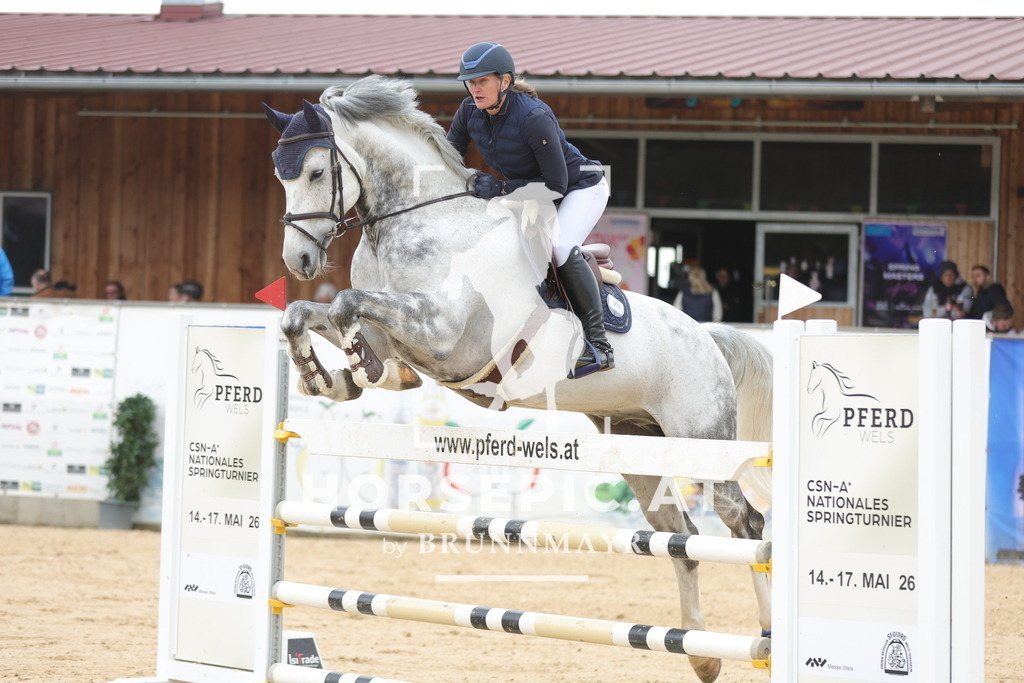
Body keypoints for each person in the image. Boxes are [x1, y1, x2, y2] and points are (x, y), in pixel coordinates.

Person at [446, 41, 612, 378]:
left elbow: (556, 185)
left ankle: (599, 344)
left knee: (561, 247)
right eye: (471, 82)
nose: (475, 89)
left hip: (579, 188)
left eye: (483, 82)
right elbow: (449, 157)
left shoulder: (533, 117)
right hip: (534, 191)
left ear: (505, 82)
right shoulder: (468, 112)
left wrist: (500, 188)